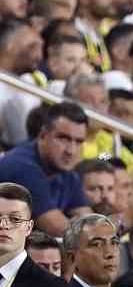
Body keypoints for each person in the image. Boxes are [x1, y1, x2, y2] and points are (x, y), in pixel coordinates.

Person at [0, 102, 91, 238]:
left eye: (78, 142)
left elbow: (89, 220)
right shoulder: (21, 166)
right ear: (42, 136)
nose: (71, 151)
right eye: (63, 138)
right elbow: (57, 228)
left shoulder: (67, 171)